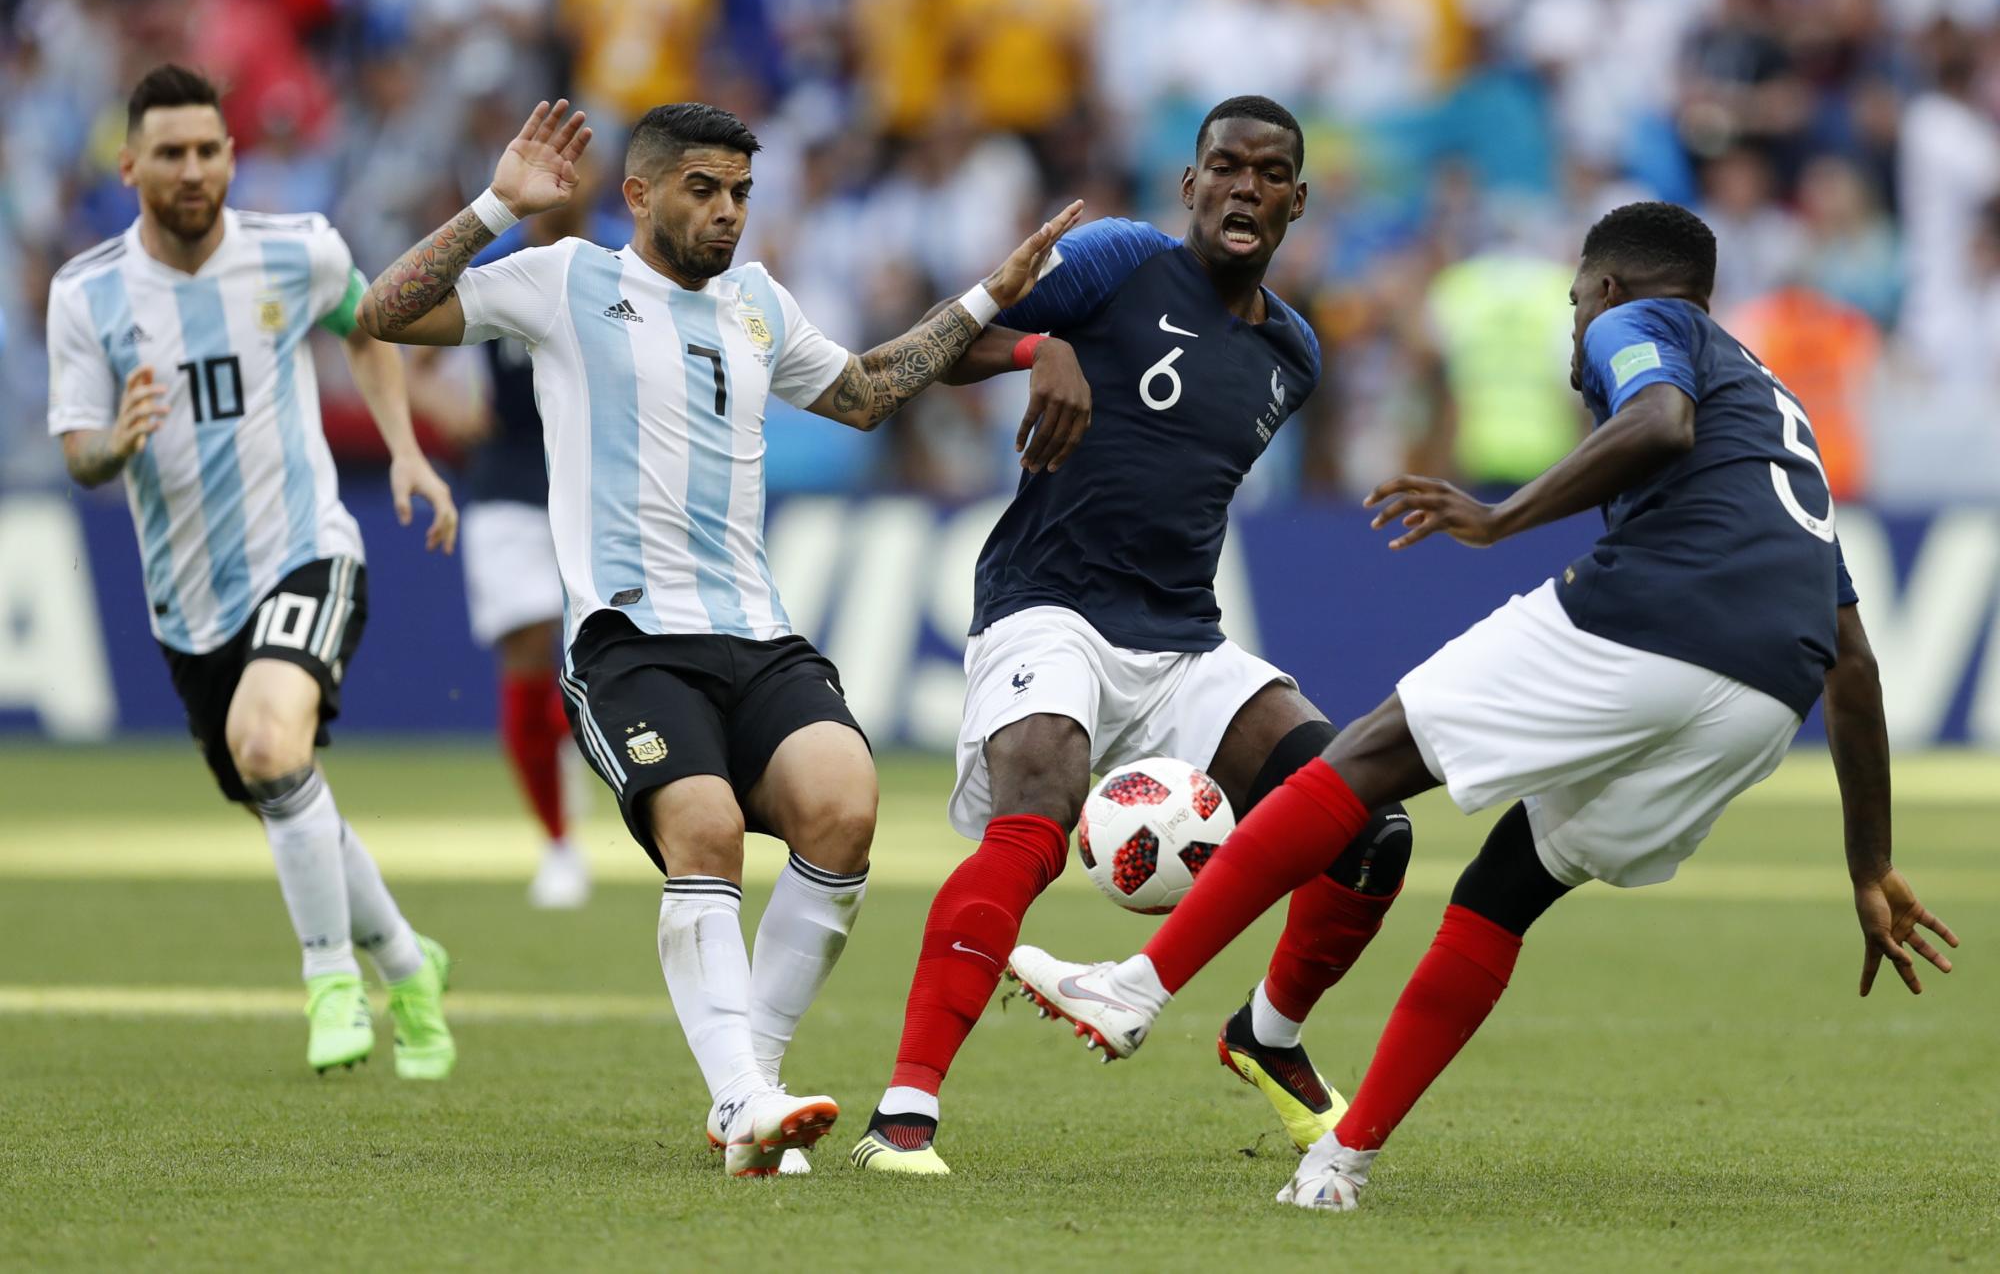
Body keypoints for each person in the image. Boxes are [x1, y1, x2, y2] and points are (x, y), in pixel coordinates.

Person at [1006, 201, 1959, 1212]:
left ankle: (1135, 988)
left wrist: (1500, 514)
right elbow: (1850, 664)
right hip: (1759, 702)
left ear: (1601, 287)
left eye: (1569, 305)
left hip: (1656, 614)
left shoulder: (1637, 322)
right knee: (1507, 882)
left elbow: (1654, 418)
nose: (1571, 330)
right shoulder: (1774, 417)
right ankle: (1338, 1162)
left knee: (1367, 754)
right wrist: (1869, 864)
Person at [356, 97, 1081, 1177]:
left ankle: (751, 1092)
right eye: (704, 189)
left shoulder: (755, 302)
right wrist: (496, 205)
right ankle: (743, 1093)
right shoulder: (566, 283)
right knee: (702, 831)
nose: (728, 212)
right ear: (640, 194)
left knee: (844, 807)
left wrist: (989, 296)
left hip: (755, 629)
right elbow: (385, 310)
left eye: (741, 192)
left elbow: (867, 392)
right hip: (628, 639)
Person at [850, 95, 1413, 1177]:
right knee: (1036, 811)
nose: (1243, 186)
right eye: (1223, 167)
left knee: (1368, 820)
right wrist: (1033, 347)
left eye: (1268, 173)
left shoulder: (1292, 355)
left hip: (1185, 642)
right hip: (1046, 606)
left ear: (1295, 201)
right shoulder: (1115, 259)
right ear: (1190, 186)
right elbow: (929, 347)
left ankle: (1269, 1035)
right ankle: (906, 1111)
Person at [45, 65, 461, 1078]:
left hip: (305, 548)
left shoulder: (296, 251)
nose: (193, 170)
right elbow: (77, 451)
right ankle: (410, 963)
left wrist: (406, 447)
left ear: (232, 155)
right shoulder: (87, 293)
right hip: (186, 603)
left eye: (209, 150)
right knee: (285, 786)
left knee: (271, 746)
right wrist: (118, 442)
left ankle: (331, 982)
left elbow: (369, 329)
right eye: (172, 153)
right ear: (130, 162)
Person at [413, 196, 604, 909]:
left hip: (598, 483)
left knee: (612, 654)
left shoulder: (622, 264)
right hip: (508, 482)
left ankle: (590, 749)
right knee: (525, 650)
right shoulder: (498, 267)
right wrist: (451, 414)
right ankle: (558, 844)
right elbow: (412, 358)